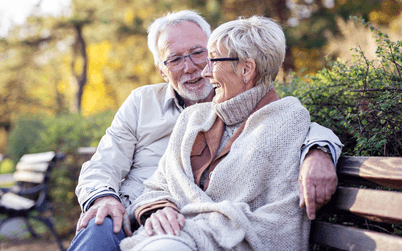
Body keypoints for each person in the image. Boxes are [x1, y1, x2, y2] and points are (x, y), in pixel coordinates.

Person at [68, 10, 342, 251]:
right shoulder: (142, 103)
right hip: (133, 211)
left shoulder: (246, 98)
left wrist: (320, 150)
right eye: (175, 59)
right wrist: (104, 198)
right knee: (99, 223)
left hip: (186, 228)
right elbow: (104, 163)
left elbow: (290, 122)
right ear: (162, 71)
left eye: (200, 53)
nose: (195, 68)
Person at [121, 15, 311, 251]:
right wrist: (160, 209)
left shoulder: (287, 121)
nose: (204, 72)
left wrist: (190, 230)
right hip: (168, 237)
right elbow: (156, 188)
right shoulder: (193, 119)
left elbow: (282, 222)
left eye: (212, 61)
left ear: (246, 68)